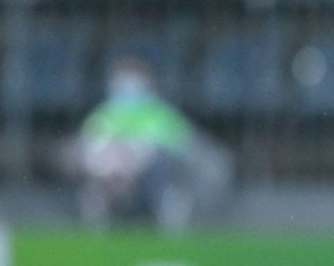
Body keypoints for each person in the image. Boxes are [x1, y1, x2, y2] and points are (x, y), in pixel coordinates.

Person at [66, 57, 232, 228]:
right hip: (108, 178)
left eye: (133, 81)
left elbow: (185, 146)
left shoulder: (160, 113)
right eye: (123, 82)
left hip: (155, 178)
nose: (128, 88)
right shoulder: (104, 114)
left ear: (148, 84)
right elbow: (88, 144)